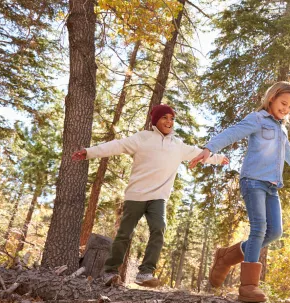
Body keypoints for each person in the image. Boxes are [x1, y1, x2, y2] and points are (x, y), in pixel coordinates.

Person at [189, 81, 290, 303]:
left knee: (275, 232)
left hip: (272, 186)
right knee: (259, 228)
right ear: (271, 98)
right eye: (283, 103)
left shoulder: (282, 129)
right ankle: (249, 286)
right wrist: (208, 149)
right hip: (253, 181)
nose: (286, 109)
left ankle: (226, 256)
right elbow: (232, 133)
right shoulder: (257, 119)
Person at [72, 104, 228, 287]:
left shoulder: (178, 145)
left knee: (159, 228)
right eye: (164, 118)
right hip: (136, 195)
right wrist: (89, 152)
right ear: (155, 120)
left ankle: (145, 273)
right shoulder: (142, 138)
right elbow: (117, 146)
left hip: (158, 197)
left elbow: (199, 153)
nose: (169, 122)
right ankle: (110, 271)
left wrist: (218, 159)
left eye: (172, 119)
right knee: (124, 234)